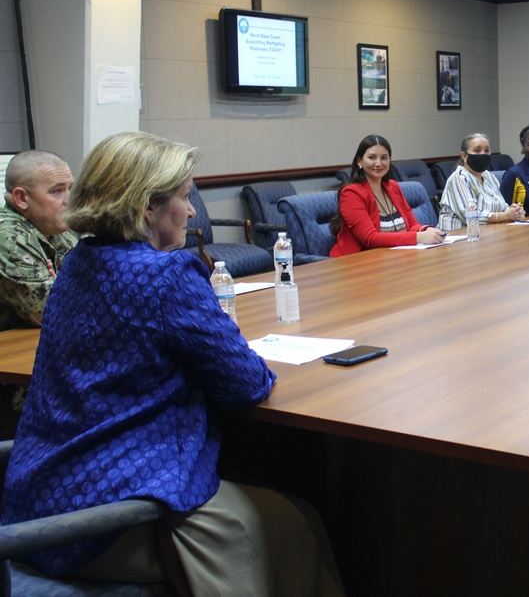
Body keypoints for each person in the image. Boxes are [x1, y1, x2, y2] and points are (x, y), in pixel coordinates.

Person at [1, 132, 345, 596]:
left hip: (36, 501)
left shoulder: (77, 263)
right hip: (106, 519)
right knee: (293, 524)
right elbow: (246, 384)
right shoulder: (167, 274)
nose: (190, 211)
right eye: (183, 198)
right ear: (147, 207)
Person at [0, 149, 78, 332]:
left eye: (71, 189)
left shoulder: (56, 227)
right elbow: (53, 312)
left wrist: (64, 286)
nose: (70, 200)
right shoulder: (8, 238)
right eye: (57, 191)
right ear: (21, 198)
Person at [330, 134, 445, 257]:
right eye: (372, 157)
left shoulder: (393, 187)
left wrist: (426, 230)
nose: (379, 163)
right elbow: (370, 239)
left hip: (393, 258)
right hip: (357, 263)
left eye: (384, 158)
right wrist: (418, 237)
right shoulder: (351, 194)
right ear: (360, 161)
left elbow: (411, 225)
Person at [437, 133, 524, 230]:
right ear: (464, 156)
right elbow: (471, 216)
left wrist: (514, 211)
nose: (483, 154)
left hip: (489, 233)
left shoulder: (489, 176)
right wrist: (506, 216)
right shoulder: (459, 178)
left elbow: (502, 206)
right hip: (458, 237)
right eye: (477, 150)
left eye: (486, 151)